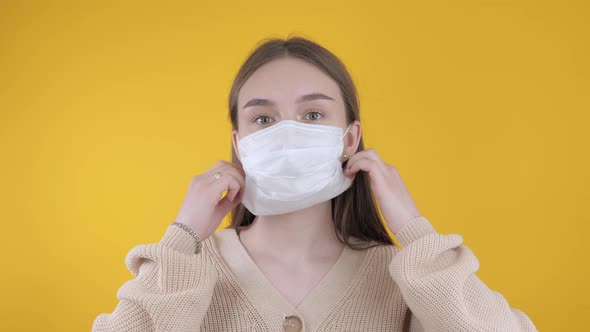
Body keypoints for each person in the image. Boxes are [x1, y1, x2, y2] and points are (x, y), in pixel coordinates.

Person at [92, 36, 538, 332]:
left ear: (349, 138)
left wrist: (414, 228)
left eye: (312, 115)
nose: (287, 133)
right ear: (239, 143)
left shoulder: (403, 279)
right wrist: (181, 238)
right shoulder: (186, 271)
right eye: (263, 119)